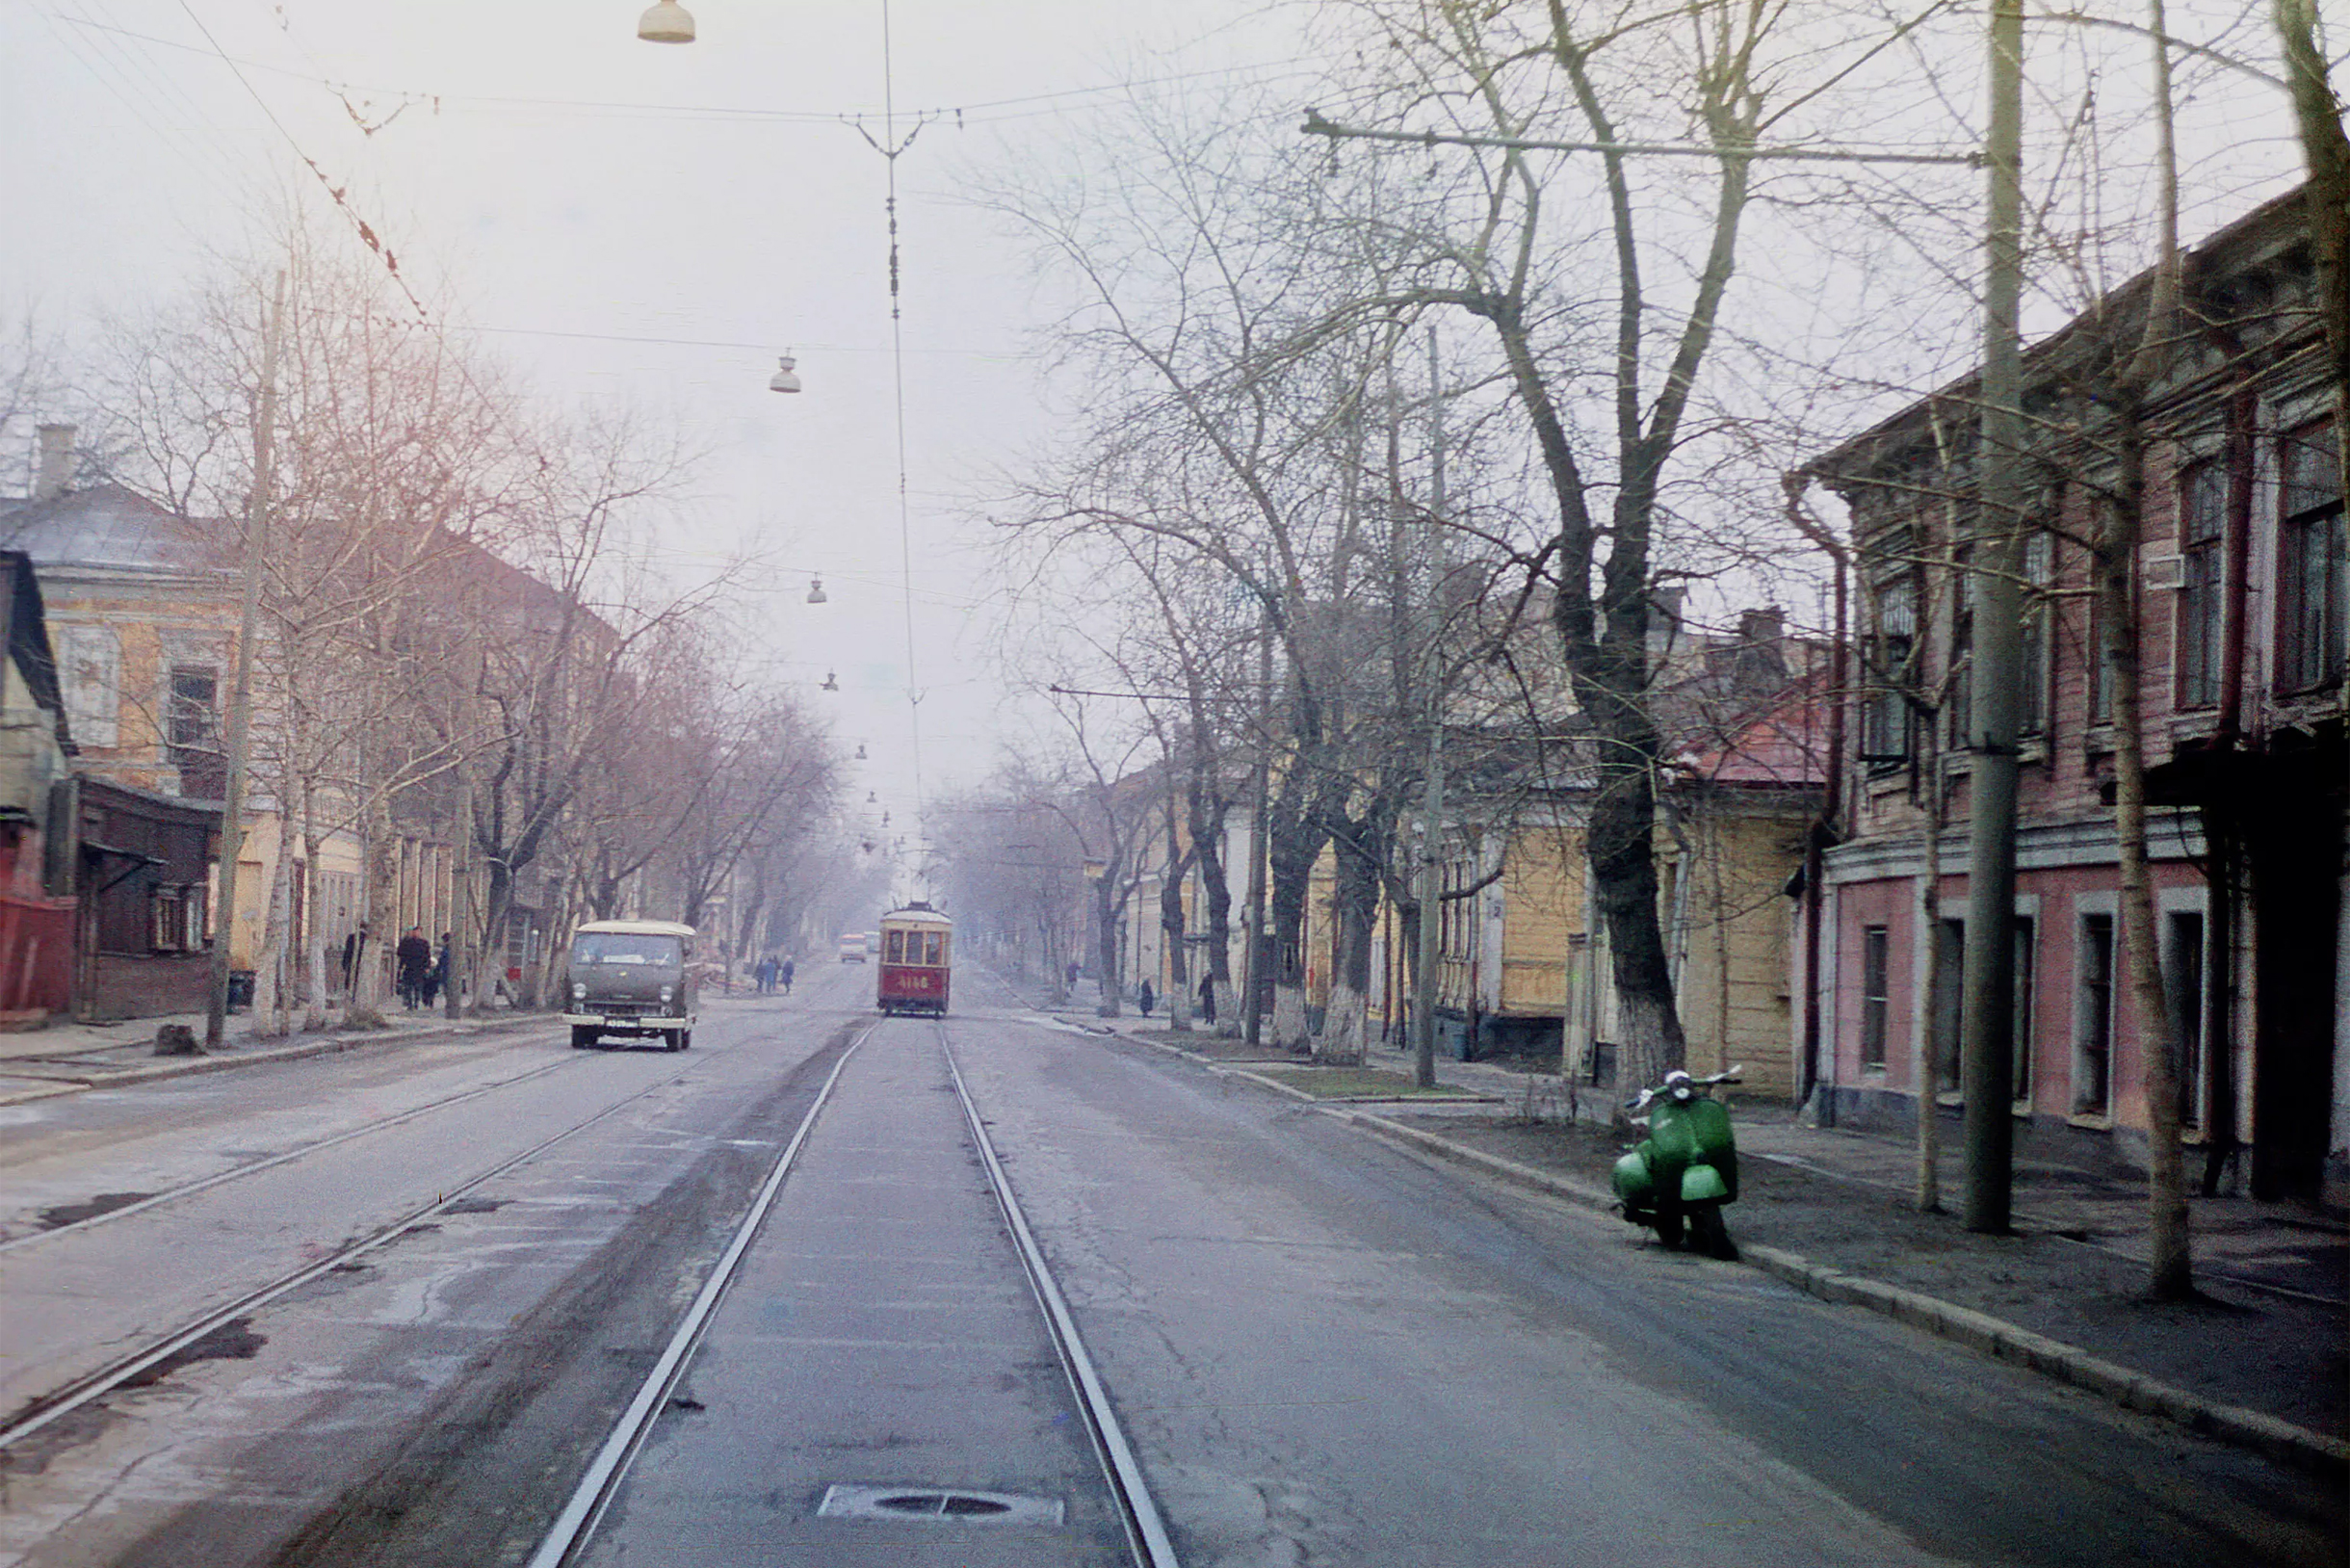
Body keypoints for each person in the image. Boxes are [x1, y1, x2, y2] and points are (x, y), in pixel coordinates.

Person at [394, 927, 431, 1010]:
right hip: (408, 967)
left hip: (419, 968)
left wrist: (427, 966)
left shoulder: (424, 943)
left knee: (418, 986)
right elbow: (400, 953)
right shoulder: (407, 942)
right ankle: (409, 1002)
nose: (416, 934)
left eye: (418, 932)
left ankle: (417, 1002)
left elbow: (427, 956)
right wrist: (401, 966)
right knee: (408, 986)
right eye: (414, 932)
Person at [340, 924, 369, 997]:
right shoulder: (368, 939)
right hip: (363, 963)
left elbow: (347, 951)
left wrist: (344, 963)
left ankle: (350, 996)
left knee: (350, 980)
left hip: (351, 962)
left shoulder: (351, 937)